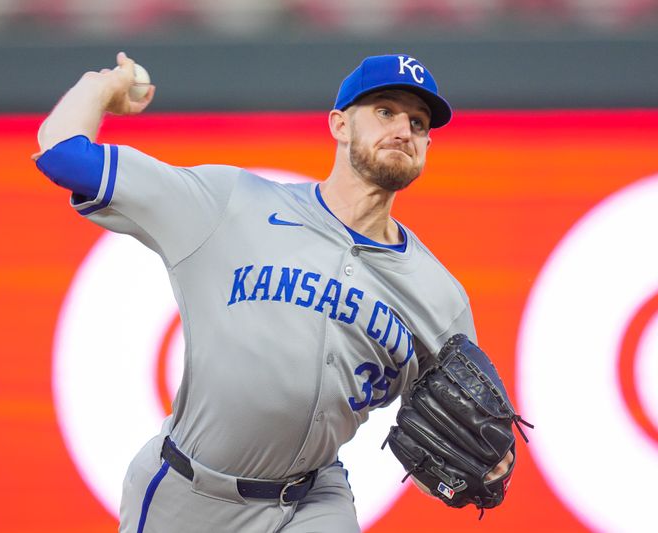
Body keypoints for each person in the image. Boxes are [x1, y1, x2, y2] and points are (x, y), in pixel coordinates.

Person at [34, 52, 513, 533]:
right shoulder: (229, 204)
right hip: (188, 494)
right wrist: (99, 89)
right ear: (340, 125)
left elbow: (453, 437)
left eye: (419, 122)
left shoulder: (440, 297)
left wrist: (482, 468)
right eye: (385, 111)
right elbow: (63, 155)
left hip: (313, 501)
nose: (404, 130)